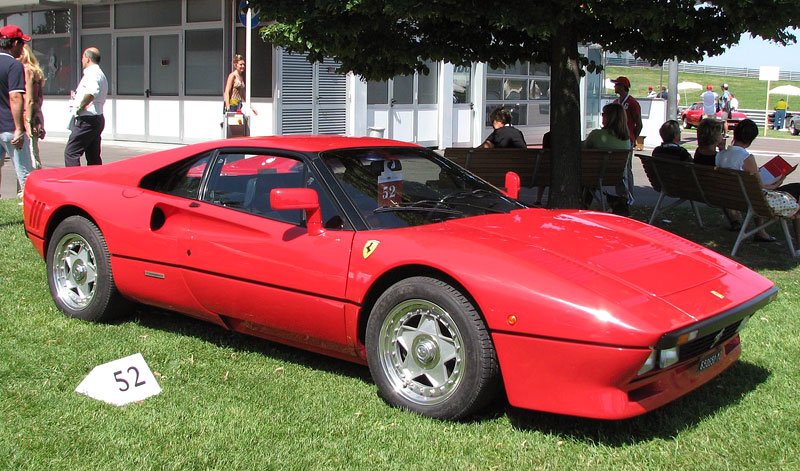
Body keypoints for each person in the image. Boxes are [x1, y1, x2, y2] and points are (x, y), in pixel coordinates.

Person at [716, 119, 800, 241]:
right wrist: (779, 181)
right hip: (753, 200)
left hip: (734, 198)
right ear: (751, 139)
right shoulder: (746, 158)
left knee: (755, 191)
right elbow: (761, 187)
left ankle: (761, 231)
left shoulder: (720, 155)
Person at [0, 24, 33, 200]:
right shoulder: (14, 66)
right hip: (9, 128)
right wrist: (19, 128)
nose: (23, 47)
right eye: (21, 43)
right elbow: (15, 97)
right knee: (26, 175)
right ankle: (31, 219)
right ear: (13, 43)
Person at [583, 102, 632, 214]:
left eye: (603, 114)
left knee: (588, 177)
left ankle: (584, 205)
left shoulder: (596, 135)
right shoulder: (626, 140)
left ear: (609, 117)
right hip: (617, 178)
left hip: (593, 177)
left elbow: (583, 148)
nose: (602, 116)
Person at [64, 47, 107, 167]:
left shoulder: (92, 74)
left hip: (87, 119)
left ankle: (74, 181)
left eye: (83, 57)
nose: (82, 60)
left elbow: (92, 92)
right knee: (93, 155)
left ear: (87, 59)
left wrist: (80, 106)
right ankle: (96, 181)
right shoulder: (99, 74)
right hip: (96, 118)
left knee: (71, 152)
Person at [19, 44, 45, 169]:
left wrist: (28, 120)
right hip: (36, 115)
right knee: (33, 151)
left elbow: (28, 99)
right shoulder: (36, 72)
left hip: (27, 115)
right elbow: (38, 99)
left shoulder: (26, 70)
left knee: (26, 155)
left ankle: (27, 185)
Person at [611, 76, 642, 146]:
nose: (614, 86)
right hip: (615, 139)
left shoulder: (633, 103)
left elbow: (639, 125)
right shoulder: (615, 102)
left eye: (616, 84)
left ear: (622, 86)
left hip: (627, 139)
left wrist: (633, 138)